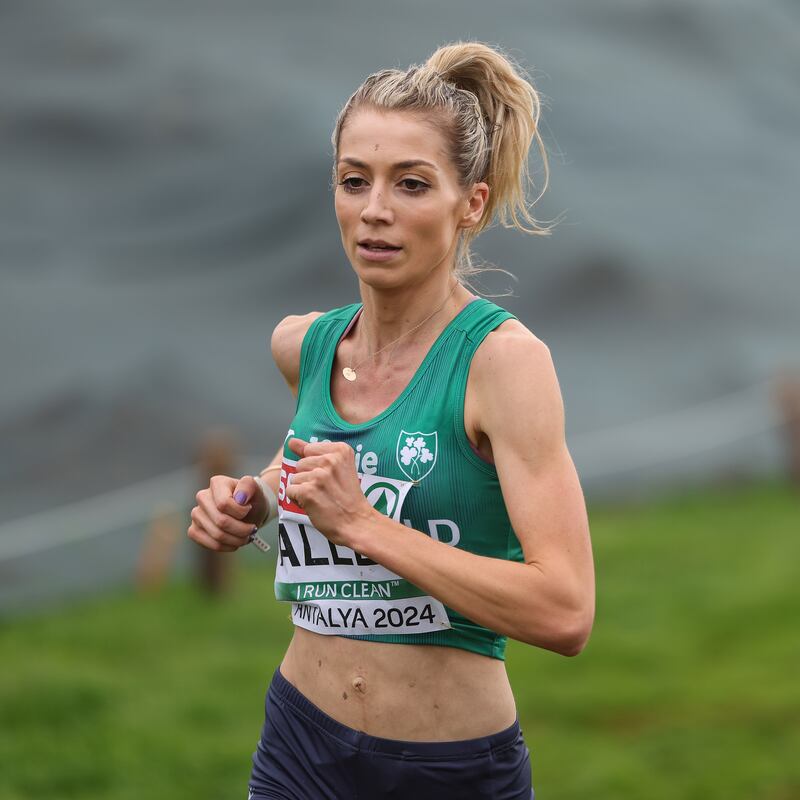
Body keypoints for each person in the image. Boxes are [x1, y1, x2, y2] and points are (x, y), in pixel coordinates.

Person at [188, 40, 595, 800]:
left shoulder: (503, 364)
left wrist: (364, 526)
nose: (375, 210)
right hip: (299, 747)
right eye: (355, 181)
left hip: (451, 768)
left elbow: (566, 609)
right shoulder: (302, 346)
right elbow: (330, 459)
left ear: (469, 203)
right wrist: (256, 498)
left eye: (411, 184)